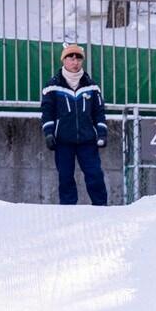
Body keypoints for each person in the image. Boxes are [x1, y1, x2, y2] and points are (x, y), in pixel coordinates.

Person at [41, 44, 109, 207]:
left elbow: (99, 112)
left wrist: (102, 133)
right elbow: (47, 112)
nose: (75, 61)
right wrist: (49, 133)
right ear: (63, 60)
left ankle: (102, 209)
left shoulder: (92, 86)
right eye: (70, 57)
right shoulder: (52, 86)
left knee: (95, 176)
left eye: (78, 57)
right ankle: (68, 211)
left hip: (87, 141)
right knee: (65, 177)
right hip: (63, 141)